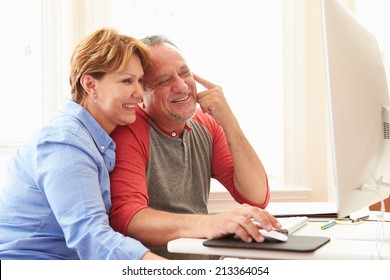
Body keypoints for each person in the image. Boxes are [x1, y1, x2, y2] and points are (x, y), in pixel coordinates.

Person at [109, 35, 281, 258]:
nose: (181, 87)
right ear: (140, 94)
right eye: (163, 81)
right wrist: (211, 223)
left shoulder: (206, 124)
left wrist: (229, 121)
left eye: (184, 73)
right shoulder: (128, 131)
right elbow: (129, 218)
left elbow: (256, 196)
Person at [0, 28, 165, 260]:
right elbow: (91, 236)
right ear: (90, 84)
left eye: (139, 81)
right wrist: (172, 270)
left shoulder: (93, 138)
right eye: (127, 81)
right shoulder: (64, 143)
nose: (139, 92)